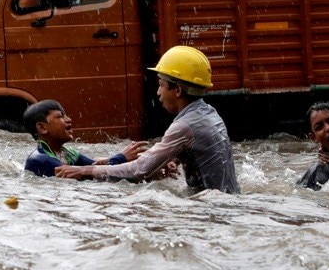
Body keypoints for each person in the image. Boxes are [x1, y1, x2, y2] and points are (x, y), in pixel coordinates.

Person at [55, 45, 241, 194]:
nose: (158, 92)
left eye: (161, 85)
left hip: (214, 211)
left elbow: (139, 170)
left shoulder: (184, 126)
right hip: (228, 200)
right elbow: (169, 156)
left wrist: (85, 171)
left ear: (177, 90)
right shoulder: (209, 114)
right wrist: (110, 160)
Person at [23, 99, 148, 177]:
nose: (69, 119)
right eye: (60, 116)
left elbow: (93, 166)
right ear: (42, 128)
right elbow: (90, 175)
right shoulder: (41, 159)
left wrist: (138, 161)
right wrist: (121, 157)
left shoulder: (68, 154)